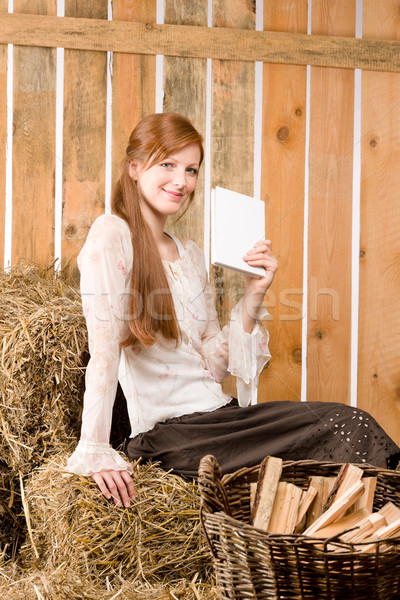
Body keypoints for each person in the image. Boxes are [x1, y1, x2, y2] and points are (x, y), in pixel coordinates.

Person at [66, 112, 399, 508]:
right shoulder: (112, 234)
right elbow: (104, 352)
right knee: (346, 429)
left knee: (349, 423)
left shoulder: (189, 255)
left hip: (220, 418)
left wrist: (254, 294)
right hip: (172, 437)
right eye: (167, 164)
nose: (180, 181)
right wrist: (95, 448)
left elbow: (214, 366)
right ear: (135, 168)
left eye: (190, 170)